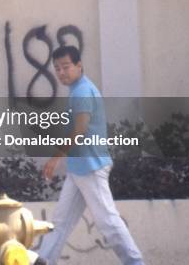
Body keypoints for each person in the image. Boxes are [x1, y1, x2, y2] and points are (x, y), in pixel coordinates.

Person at [37, 46, 144, 265]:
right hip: (79, 169)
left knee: (108, 222)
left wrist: (56, 158)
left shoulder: (82, 91)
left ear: (79, 65)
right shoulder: (77, 89)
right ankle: (44, 261)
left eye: (66, 67)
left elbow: (80, 129)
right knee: (61, 221)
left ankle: (135, 262)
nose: (61, 73)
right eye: (57, 69)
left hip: (91, 167)